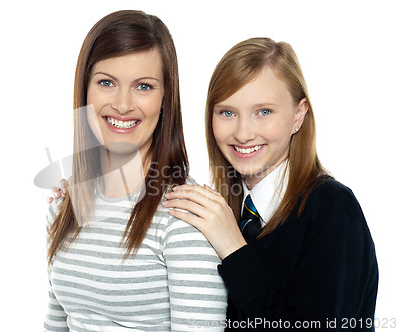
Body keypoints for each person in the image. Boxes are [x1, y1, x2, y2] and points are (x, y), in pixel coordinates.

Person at [163, 37, 378, 330]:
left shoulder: (332, 209)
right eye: (227, 112)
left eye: (263, 112)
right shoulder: (229, 211)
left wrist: (234, 249)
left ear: (298, 115)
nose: (243, 133)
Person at [44, 10, 227, 332]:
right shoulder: (63, 205)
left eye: (143, 86)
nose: (123, 104)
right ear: (84, 90)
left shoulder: (184, 216)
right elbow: (56, 324)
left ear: (165, 98)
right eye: (106, 83)